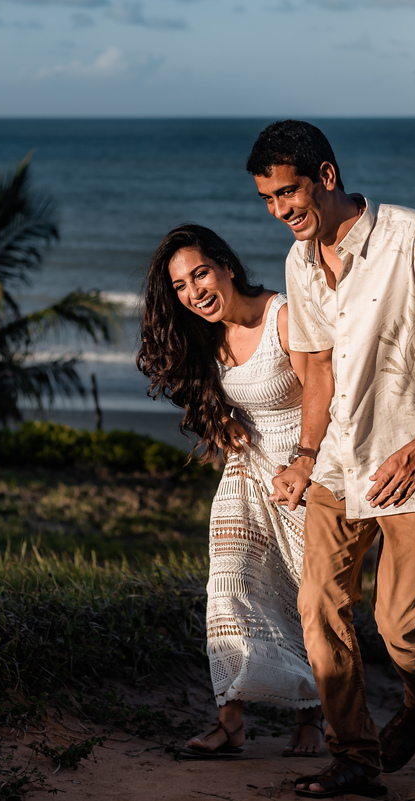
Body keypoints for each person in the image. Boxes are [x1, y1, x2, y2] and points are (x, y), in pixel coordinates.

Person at [246, 121, 415, 798]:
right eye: (267, 200)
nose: (280, 210)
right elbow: (321, 376)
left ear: (325, 177)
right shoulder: (299, 263)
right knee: (319, 605)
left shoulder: (414, 238)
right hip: (338, 464)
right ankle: (355, 759)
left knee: (401, 628)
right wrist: (305, 458)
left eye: (288, 192)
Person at [137, 224, 325, 759]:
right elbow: (203, 395)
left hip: (303, 475)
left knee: (304, 598)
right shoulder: (203, 332)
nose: (193, 292)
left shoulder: (282, 317)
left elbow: (328, 394)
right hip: (245, 474)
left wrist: (306, 465)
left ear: (227, 266)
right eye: (180, 286)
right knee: (228, 587)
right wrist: (215, 417)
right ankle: (229, 722)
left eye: (199, 274)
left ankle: (310, 716)